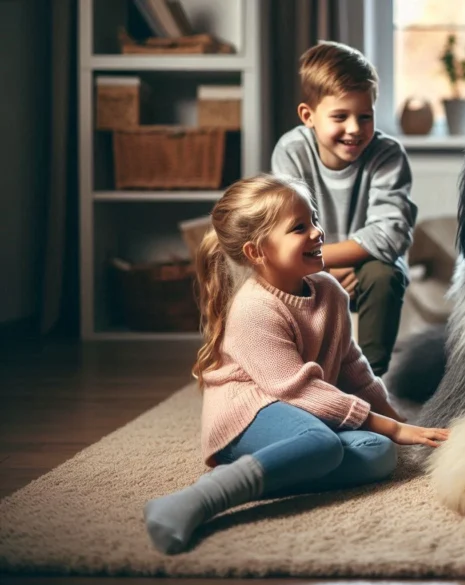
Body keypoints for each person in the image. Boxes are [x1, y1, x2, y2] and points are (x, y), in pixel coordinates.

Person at [142, 175, 447, 555]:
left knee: (378, 452)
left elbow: (353, 367)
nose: (318, 233)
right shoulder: (254, 309)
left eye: (314, 220)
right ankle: (204, 497)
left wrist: (403, 426)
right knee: (322, 443)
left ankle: (278, 465)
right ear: (256, 252)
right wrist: (391, 426)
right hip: (250, 412)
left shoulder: (330, 292)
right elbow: (297, 389)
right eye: (299, 228)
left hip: (302, 411)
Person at [271, 40, 416, 376]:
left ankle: (370, 379)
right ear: (308, 116)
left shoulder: (388, 155)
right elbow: (284, 231)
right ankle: (298, 374)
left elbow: (389, 235)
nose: (354, 128)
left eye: (365, 117)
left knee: (384, 274)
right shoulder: (290, 152)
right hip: (308, 264)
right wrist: (320, 269)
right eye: (340, 116)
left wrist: (323, 260)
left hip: (362, 266)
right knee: (268, 274)